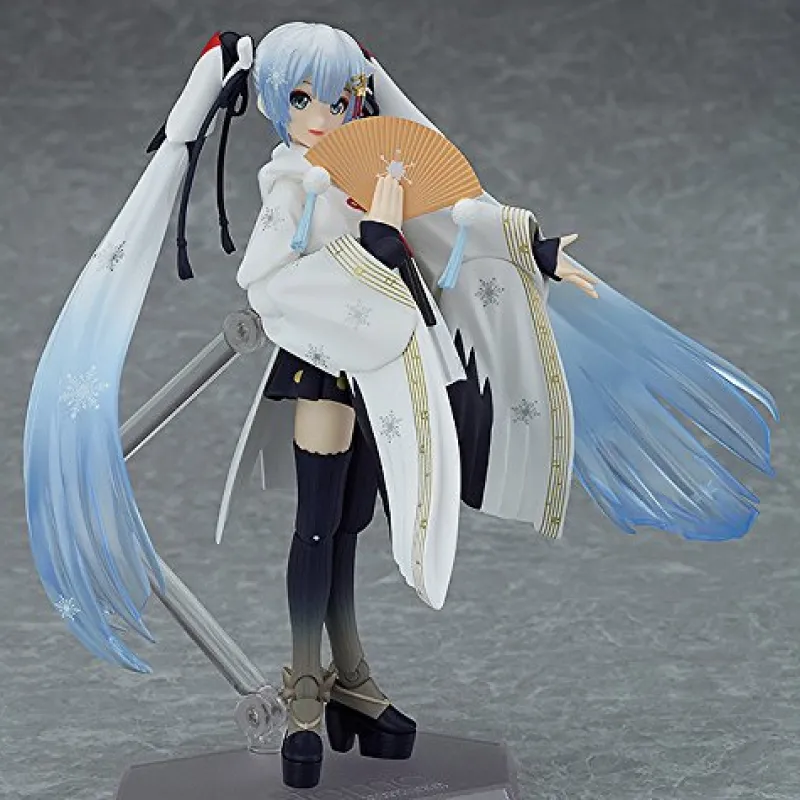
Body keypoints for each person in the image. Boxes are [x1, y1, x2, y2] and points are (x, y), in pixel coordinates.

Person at [23, 21, 778, 790]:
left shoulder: (373, 165)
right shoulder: (292, 184)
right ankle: (305, 688)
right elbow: (264, 280)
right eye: (303, 99)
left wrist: (533, 248)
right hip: (323, 370)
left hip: (383, 374)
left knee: (352, 523)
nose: (323, 117)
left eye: (338, 100)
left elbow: (451, 218)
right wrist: (367, 247)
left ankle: (350, 674)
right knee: (316, 527)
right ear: (277, 104)